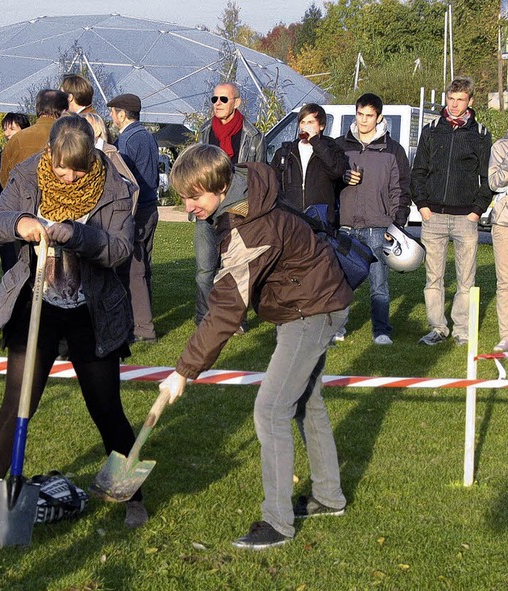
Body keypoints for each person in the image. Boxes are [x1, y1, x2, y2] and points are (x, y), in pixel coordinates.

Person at [161, 143, 353, 550]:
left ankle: (278, 522)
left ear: (219, 186)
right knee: (307, 402)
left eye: (193, 197)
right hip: (310, 302)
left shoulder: (253, 227)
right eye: (182, 197)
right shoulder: (245, 196)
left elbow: (228, 308)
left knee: (271, 410)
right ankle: (328, 497)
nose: (188, 205)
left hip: (311, 310)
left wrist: (183, 371)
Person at [0, 115, 146, 534]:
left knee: (107, 409)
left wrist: (77, 236)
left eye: (79, 169)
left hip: (92, 311)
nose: (69, 177)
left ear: (92, 159)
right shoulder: (27, 175)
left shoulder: (116, 188)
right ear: (49, 154)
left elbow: (120, 250)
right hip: (36, 307)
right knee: (16, 406)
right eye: (62, 167)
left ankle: (133, 498)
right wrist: (19, 223)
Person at [412, 77, 492, 346]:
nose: (454, 104)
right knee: (433, 278)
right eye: (451, 99)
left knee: (465, 280)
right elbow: (418, 171)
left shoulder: (480, 134)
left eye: (460, 100)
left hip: (465, 218)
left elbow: (487, 177)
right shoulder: (431, 130)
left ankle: (461, 330)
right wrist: (422, 206)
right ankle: (437, 328)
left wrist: (477, 211)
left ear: (470, 101)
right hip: (432, 216)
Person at [336, 93, 411, 345]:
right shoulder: (340, 146)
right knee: (341, 281)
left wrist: (397, 224)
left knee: (379, 284)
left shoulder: (394, 150)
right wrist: (342, 177)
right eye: (360, 114)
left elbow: (400, 189)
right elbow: (328, 179)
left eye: (369, 116)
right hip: (346, 225)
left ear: (379, 117)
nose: (364, 120)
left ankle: (381, 331)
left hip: (379, 226)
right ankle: (337, 328)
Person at [195, 82, 266, 330]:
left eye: (223, 99)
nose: (217, 103)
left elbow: (260, 176)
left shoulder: (253, 136)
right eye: (214, 98)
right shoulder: (205, 132)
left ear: (236, 102)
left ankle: (236, 320)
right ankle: (205, 318)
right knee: (205, 269)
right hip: (206, 210)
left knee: (235, 268)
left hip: (237, 210)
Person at [108, 93, 159, 343]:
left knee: (133, 270)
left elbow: (124, 179)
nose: (111, 117)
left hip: (136, 210)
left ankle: (140, 326)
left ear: (122, 114)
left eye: (113, 112)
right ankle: (143, 318)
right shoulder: (148, 136)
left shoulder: (127, 140)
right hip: (151, 207)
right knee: (144, 268)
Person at [270, 103, 346, 221]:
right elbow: (273, 184)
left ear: (321, 126)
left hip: (321, 220)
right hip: (292, 220)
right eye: (302, 122)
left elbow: (336, 171)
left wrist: (317, 143)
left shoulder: (332, 148)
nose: (305, 127)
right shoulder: (286, 152)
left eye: (310, 122)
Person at [487, 108, 508, 352]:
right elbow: (495, 183)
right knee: (506, 283)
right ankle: (507, 334)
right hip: (506, 224)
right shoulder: (501, 147)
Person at [0, 89, 69, 188]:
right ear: (64, 111)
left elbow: (4, 176)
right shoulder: (69, 138)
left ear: (38, 108)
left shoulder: (17, 139)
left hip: (21, 199)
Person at [0, 113, 31, 273]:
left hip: (29, 220)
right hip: (7, 221)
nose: (7, 133)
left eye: (12, 128)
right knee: (10, 265)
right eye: (5, 128)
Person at [83, 111, 139, 214]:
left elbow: (132, 187)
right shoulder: (82, 154)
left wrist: (124, 219)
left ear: (97, 131)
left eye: (86, 126)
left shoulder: (109, 154)